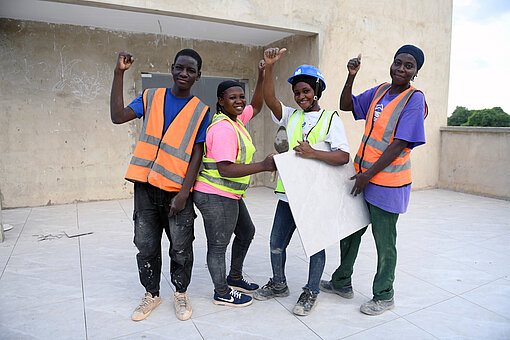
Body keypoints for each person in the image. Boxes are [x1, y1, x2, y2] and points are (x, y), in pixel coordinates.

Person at [320, 45, 428, 315]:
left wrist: (368, 175)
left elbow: (399, 143)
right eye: (398, 63)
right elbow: (346, 105)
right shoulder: (380, 91)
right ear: (391, 64)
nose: (401, 69)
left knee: (384, 241)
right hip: (362, 177)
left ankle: (384, 294)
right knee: (350, 231)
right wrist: (351, 75)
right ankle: (342, 282)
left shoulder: (414, 99)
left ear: (415, 72)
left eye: (409, 66)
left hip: (387, 183)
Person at [110, 49, 210, 322]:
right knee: (145, 244)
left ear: (198, 76)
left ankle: (180, 293)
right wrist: (119, 73)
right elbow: (118, 116)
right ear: (172, 68)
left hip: (177, 191)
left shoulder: (201, 110)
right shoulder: (150, 96)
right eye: (179, 68)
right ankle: (151, 294)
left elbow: (197, 155)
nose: (184, 74)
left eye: (190, 70)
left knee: (180, 246)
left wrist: (183, 194)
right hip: (145, 188)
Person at [253, 47, 350, 316]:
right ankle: (279, 284)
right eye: (297, 93)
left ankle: (311, 291)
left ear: (317, 90)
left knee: (315, 244)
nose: (301, 97)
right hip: (288, 194)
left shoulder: (331, 118)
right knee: (275, 242)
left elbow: (343, 156)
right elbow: (270, 98)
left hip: (314, 196)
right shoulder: (291, 115)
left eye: (306, 91)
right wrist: (270, 67)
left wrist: (313, 152)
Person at [194, 60, 277, 307]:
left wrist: (261, 74)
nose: (239, 101)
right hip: (215, 194)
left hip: (229, 194)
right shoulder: (222, 128)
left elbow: (257, 105)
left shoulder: (237, 120)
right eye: (233, 98)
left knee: (246, 232)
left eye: (241, 96)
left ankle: (235, 277)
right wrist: (263, 165)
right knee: (219, 245)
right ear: (221, 101)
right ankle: (222, 292)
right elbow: (225, 169)